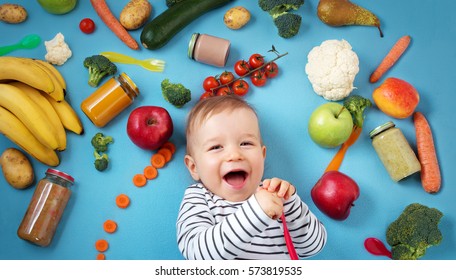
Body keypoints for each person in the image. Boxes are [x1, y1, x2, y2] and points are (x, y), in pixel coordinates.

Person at [177, 95, 327, 260]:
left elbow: (313, 246)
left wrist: (290, 204)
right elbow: (197, 254)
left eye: (246, 143)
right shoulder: (198, 197)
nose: (234, 155)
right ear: (193, 167)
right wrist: (256, 212)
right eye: (216, 147)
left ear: (262, 155)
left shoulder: (273, 194)